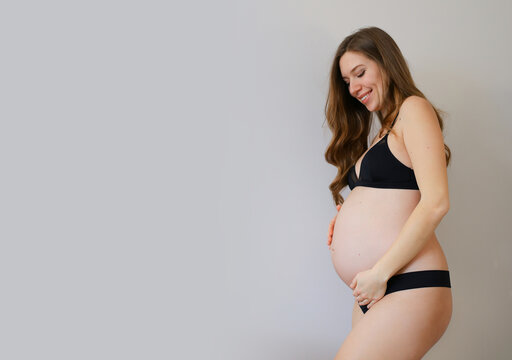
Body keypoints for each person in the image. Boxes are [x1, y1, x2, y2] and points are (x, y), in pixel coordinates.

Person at [323, 26, 453, 359]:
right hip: (374, 289)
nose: (353, 88)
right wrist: (349, 216)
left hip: (406, 280)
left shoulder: (414, 109)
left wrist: (380, 273)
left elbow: (436, 202)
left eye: (360, 73)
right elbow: (392, 199)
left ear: (385, 62)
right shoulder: (383, 131)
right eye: (346, 81)